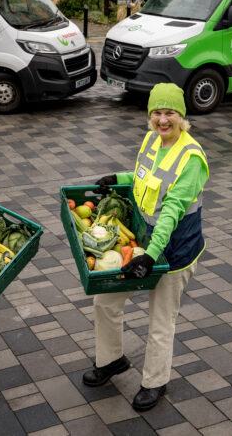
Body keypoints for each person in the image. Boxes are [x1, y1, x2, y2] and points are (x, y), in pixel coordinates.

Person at [83, 83, 209, 412]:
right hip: (142, 240)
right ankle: (111, 360)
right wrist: (119, 178)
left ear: (182, 116)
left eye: (169, 113)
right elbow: (144, 179)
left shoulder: (191, 158)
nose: (162, 120)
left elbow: (171, 210)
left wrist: (151, 256)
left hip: (173, 252)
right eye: (156, 112)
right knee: (105, 301)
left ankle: (155, 382)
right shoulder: (152, 139)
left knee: (161, 319)